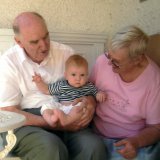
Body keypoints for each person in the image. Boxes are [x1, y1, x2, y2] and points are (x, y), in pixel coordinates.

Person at [0, 12, 107, 160]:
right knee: (50, 147)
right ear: (18, 42)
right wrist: (57, 124)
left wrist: (91, 103)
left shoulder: (66, 54)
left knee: (93, 147)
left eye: (46, 37)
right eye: (34, 42)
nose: (44, 46)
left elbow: (85, 87)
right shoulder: (8, 63)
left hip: (65, 112)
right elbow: (8, 112)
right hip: (26, 121)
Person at [90, 25, 160, 160]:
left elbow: (156, 128)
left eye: (116, 62)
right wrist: (87, 102)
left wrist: (136, 142)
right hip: (96, 135)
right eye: (109, 55)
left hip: (130, 141)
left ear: (137, 59)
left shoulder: (154, 81)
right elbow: (88, 89)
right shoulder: (102, 61)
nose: (109, 63)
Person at [32, 54, 106, 127]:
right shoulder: (61, 85)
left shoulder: (88, 86)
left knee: (81, 106)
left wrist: (99, 94)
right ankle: (51, 119)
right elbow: (46, 90)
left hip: (75, 110)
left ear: (87, 76)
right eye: (73, 75)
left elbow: (96, 93)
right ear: (66, 75)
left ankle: (67, 120)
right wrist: (39, 82)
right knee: (46, 106)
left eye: (82, 75)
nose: (78, 78)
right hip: (61, 107)